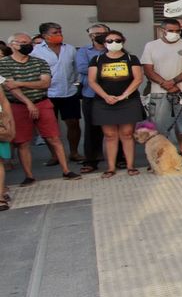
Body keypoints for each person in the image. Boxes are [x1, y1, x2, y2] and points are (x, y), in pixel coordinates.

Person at [2, 32, 80, 183]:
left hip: (42, 102)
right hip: (17, 106)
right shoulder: (3, 64)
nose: (28, 45)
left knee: (54, 137)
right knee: (23, 142)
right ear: (12, 45)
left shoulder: (39, 62)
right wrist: (28, 103)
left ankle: (66, 170)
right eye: (23, 42)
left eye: (29, 42)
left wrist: (21, 83)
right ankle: (29, 176)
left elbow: (45, 83)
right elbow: (10, 87)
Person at [141, 19, 182, 163]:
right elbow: (148, 70)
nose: (175, 33)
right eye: (171, 31)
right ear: (163, 30)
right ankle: (159, 157)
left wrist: (173, 82)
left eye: (177, 31)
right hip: (159, 92)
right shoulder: (151, 46)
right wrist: (164, 83)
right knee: (159, 127)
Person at [33, 22, 82, 167]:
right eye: (55, 32)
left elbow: (76, 69)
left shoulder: (70, 49)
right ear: (44, 35)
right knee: (49, 126)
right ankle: (54, 155)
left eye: (60, 32)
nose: (59, 35)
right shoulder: (36, 51)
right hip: (47, 93)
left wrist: (75, 83)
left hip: (69, 92)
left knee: (73, 123)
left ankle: (74, 152)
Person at [74, 23, 108, 173]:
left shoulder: (115, 49)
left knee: (116, 128)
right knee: (91, 129)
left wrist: (96, 69)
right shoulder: (83, 51)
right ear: (90, 36)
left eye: (103, 33)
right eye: (96, 33)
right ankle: (91, 160)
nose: (100, 36)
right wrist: (110, 69)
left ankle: (120, 158)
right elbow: (82, 68)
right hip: (91, 95)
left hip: (113, 94)